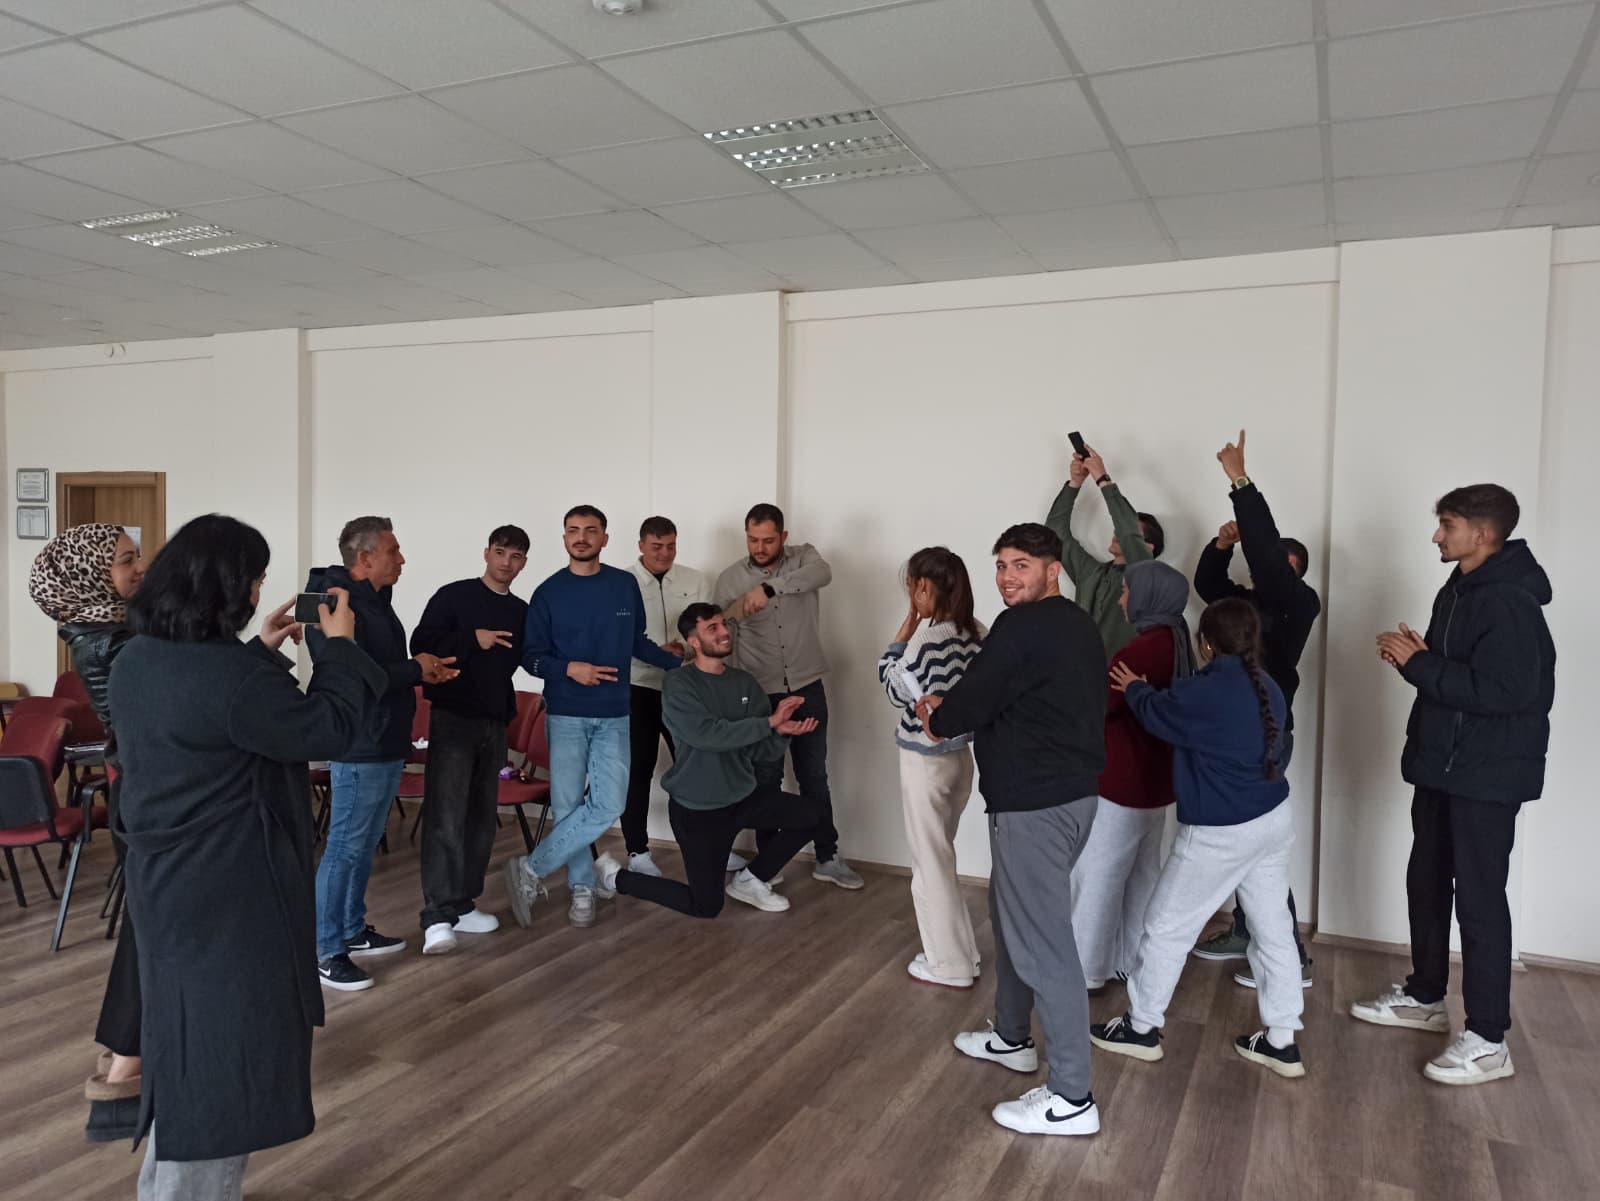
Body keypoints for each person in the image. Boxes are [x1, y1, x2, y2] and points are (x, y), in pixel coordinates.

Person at [109, 514, 384, 1201]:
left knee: (183, 1043)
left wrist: (258, 652)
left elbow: (212, 719)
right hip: (230, 890)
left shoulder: (136, 658)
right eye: (255, 577)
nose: (260, 589)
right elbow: (328, 729)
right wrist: (340, 648)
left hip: (163, 883)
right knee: (223, 1062)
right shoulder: (231, 677)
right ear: (226, 585)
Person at [1352, 484, 1555, 1087]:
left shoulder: (1509, 602)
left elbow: (1505, 692)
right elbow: (1460, 675)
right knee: (1427, 880)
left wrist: (1420, 663)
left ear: (1483, 534)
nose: (1437, 536)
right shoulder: (1461, 588)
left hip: (1487, 776)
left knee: (1480, 902)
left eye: (1448, 525)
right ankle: (1425, 996)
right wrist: (1419, 659)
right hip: (1445, 767)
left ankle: (1489, 1040)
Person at [918, 522, 1106, 1138]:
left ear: (1053, 570)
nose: (1006, 577)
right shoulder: (1077, 623)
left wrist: (938, 714)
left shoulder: (1020, 626)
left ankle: (1072, 1098)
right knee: (1010, 915)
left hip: (1035, 806)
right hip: (1072, 797)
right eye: (1000, 565)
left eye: (1021, 565)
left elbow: (974, 700)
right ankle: (1011, 1037)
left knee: (1044, 944)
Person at [1091, 598, 1306, 1080]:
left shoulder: (1203, 692)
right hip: (1273, 820)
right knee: (1273, 929)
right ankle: (1282, 1038)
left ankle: (1141, 1028)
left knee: (1166, 927)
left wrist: (1134, 688)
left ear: (1206, 643)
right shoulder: (1267, 685)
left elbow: (1160, 715)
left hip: (1220, 832)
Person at [503, 505, 682, 930]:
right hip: (566, 714)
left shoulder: (623, 586)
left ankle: (530, 868)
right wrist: (570, 669)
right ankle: (581, 887)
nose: (581, 537)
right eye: (573, 530)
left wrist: (681, 662)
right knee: (568, 807)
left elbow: (636, 642)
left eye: (590, 530)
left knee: (609, 804)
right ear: (564, 538)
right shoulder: (548, 592)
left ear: (605, 538)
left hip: (615, 714)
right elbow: (530, 658)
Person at [1191, 431, 1321, 986]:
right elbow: (1207, 583)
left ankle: (1291, 956)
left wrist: (1241, 482)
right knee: (1248, 839)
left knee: (1255, 841)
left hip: (1267, 729)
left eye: (1279, 562)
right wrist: (1223, 545)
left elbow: (1268, 560)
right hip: (1238, 727)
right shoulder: (1249, 604)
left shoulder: (1298, 602)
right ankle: (1248, 932)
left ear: (1294, 569)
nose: (1268, 567)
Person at [28, 523, 144, 1142]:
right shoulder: (111, 641)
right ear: (90, 576)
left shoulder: (113, 628)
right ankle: (124, 1070)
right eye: (125, 560)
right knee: (151, 932)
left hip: (138, 789)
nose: (138, 567)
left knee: (149, 930)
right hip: (144, 793)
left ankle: (123, 1060)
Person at [306, 517, 457, 991]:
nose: (402, 559)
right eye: (393, 551)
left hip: (385, 738)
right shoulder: (333, 600)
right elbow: (353, 672)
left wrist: (421, 671)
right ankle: (326, 950)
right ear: (365, 557)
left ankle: (352, 930)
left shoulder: (373, 598)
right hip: (359, 741)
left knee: (365, 842)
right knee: (344, 847)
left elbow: (381, 666)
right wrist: (416, 669)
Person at [598, 603, 826, 917]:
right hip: (699, 810)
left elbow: (760, 750)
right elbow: (706, 735)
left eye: (723, 625)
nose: (724, 633)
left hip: (742, 797)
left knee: (813, 815)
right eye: (712, 629)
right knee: (705, 906)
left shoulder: (744, 683)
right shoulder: (678, 684)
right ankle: (614, 877)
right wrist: (769, 723)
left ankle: (750, 879)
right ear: (693, 641)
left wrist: (781, 733)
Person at [716, 503, 863, 889]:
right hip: (759, 693)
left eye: (768, 540)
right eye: (752, 539)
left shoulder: (805, 559)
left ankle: (827, 856)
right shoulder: (729, 579)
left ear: (783, 536)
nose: (759, 547)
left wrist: (769, 588)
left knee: (814, 775)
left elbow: (823, 574)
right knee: (766, 779)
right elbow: (722, 636)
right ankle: (768, 863)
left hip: (806, 685)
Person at [1071, 560, 1195, 993]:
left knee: (1096, 874)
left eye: (1126, 591)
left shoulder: (1138, 652)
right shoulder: (1177, 643)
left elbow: (1097, 708)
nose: (1123, 599)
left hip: (1121, 784)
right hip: (1155, 785)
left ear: (1148, 596)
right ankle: (1131, 963)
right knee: (1143, 876)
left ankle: (1086, 968)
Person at [409, 525, 530, 955]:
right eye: (500, 552)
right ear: (486, 553)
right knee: (446, 815)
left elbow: (532, 655)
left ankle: (462, 904)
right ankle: (437, 915)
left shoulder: (520, 610)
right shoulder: (453, 596)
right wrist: (472, 640)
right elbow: (420, 644)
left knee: (480, 817)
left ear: (524, 563)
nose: (506, 563)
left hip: (494, 721)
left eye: (515, 556)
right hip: (453, 718)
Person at [877, 546, 985, 989]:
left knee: (930, 865)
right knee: (941, 856)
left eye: (911, 586)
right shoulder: (978, 631)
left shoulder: (925, 641)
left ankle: (949, 965)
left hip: (926, 761)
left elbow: (892, 684)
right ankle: (963, 954)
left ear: (923, 587)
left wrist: (905, 630)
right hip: (961, 759)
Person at [624, 515, 719, 878]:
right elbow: (616, 638)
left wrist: (683, 648)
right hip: (638, 688)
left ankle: (710, 845)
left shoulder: (696, 580)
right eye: (656, 546)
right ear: (641, 546)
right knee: (638, 770)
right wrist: (654, 654)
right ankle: (637, 851)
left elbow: (708, 629)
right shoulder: (622, 582)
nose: (664, 553)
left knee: (698, 769)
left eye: (671, 546)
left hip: (685, 688)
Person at [1044, 439, 1165, 654]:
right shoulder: (1091, 573)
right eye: (1117, 530)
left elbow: (1126, 528)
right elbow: (1055, 533)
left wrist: (1102, 479)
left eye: (1130, 535)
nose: (1118, 534)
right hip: (1081, 670)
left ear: (1148, 547)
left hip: (1123, 673)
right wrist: (1075, 483)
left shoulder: (1147, 578)